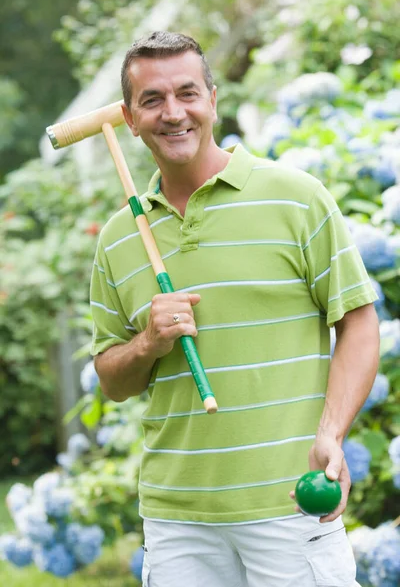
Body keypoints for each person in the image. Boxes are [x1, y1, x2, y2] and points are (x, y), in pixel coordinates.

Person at [90, 31, 380, 587]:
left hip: (291, 505)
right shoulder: (119, 238)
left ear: (213, 100)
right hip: (178, 521)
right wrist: (148, 342)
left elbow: (359, 324)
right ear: (129, 118)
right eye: (152, 100)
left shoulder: (296, 197)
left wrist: (332, 432)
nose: (173, 112)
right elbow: (112, 378)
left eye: (187, 93)